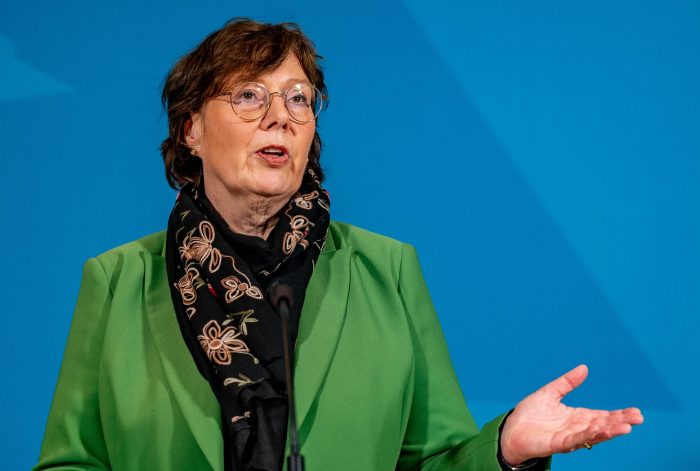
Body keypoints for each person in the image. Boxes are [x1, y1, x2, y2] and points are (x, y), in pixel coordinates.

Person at [34, 18, 643, 471]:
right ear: (191, 128)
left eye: (298, 98)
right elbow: (71, 463)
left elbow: (434, 462)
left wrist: (505, 448)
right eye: (249, 95)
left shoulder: (387, 270)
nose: (280, 116)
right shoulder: (117, 281)